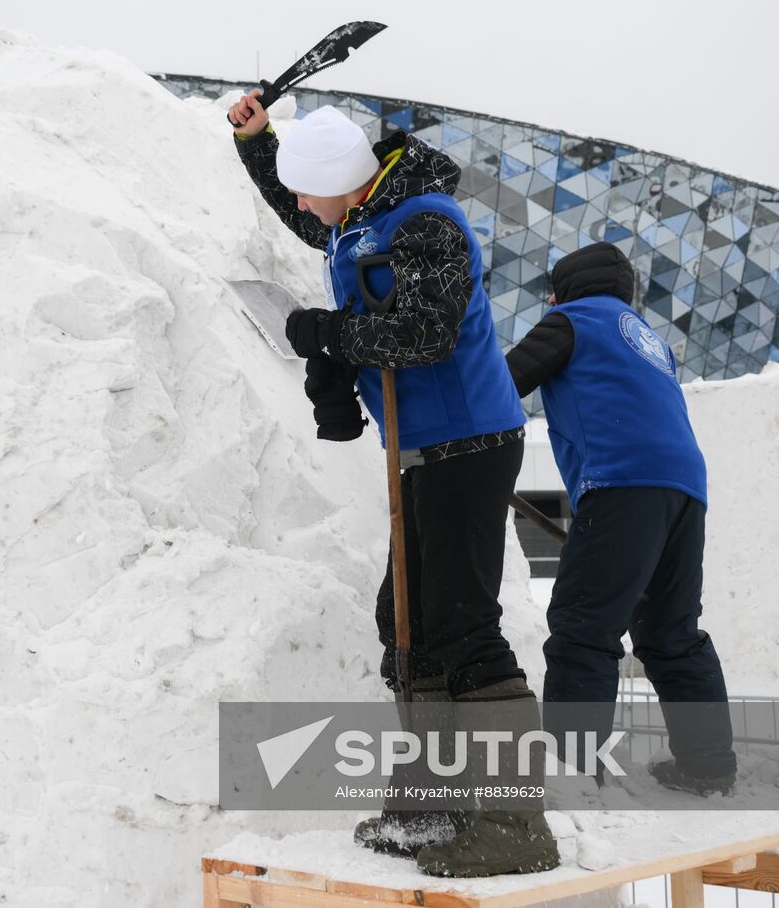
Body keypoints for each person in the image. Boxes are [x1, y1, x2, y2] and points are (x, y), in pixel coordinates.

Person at [227, 92, 559, 877]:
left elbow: (427, 331)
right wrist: (257, 141)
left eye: (310, 187)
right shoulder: (355, 216)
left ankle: (515, 825)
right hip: (423, 449)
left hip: (470, 441)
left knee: (460, 628)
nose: (304, 205)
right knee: (404, 620)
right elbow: (296, 201)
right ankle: (433, 801)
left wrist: (330, 333)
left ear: (343, 178)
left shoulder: (424, 222)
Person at [505, 242, 737, 794]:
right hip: (685, 491)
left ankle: (572, 775)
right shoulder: (650, 342)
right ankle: (708, 769)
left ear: (561, 292)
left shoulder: (572, 320)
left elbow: (502, 383)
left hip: (621, 481)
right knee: (672, 633)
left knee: (583, 625)